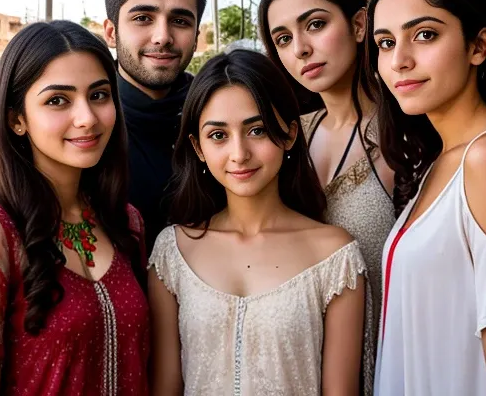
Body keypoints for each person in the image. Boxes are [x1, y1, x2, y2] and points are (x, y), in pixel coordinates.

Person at [148, 50, 370, 395]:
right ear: (198, 147)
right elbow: (166, 386)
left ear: (291, 133)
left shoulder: (335, 257)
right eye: (218, 136)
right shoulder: (172, 252)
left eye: (257, 130)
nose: (239, 154)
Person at [0, 21, 149, 395]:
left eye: (99, 95)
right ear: (16, 119)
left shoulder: (127, 222)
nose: (87, 117)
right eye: (57, 100)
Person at [366, 0, 486, 396]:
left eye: (424, 35)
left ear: (479, 46)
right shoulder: (438, 161)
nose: (399, 60)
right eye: (384, 43)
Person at [258, 0, 395, 347]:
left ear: (358, 25)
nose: (301, 48)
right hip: (305, 358)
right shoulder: (286, 138)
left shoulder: (404, 130)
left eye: (315, 24)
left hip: (396, 357)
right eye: (283, 39)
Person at [103, 0, 209, 251]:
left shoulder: (220, 122)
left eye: (180, 21)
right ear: (111, 32)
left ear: (196, 37)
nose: (162, 36)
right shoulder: (82, 128)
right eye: (143, 18)